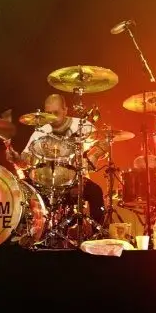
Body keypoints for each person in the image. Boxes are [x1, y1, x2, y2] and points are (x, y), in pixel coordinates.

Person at [21, 94, 106, 225]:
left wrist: (93, 156)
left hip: (75, 181)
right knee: (22, 188)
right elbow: (25, 156)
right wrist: (19, 158)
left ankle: (97, 235)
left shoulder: (82, 125)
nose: (53, 117)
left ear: (65, 110)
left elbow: (103, 142)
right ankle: (31, 232)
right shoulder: (41, 131)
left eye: (56, 112)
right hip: (46, 182)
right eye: (49, 113)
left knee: (95, 192)